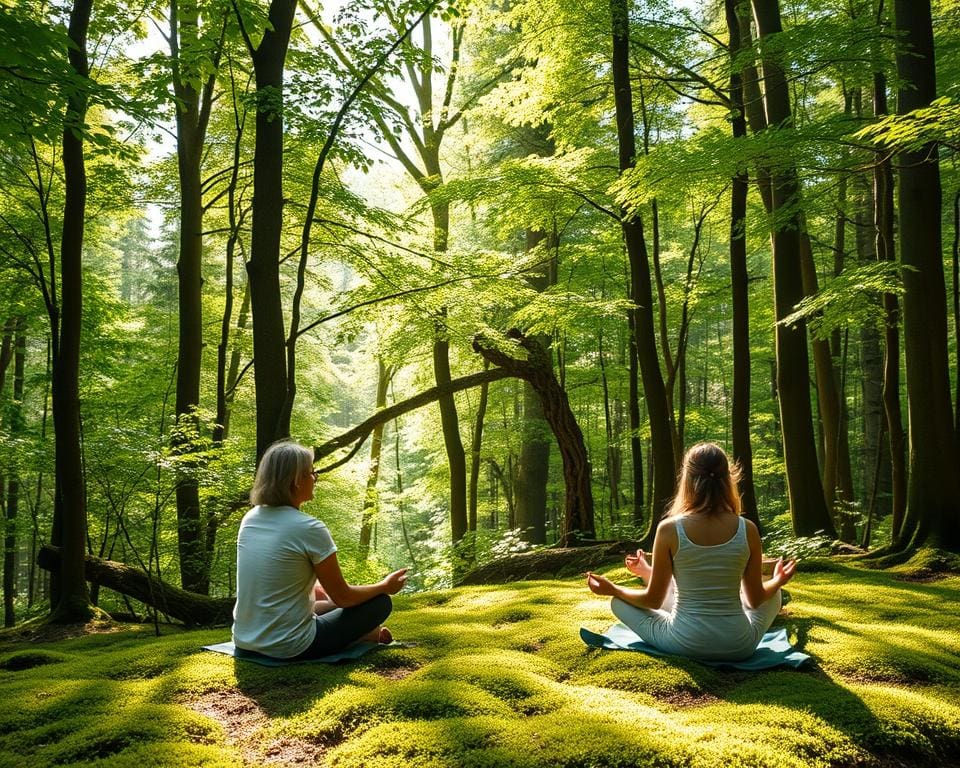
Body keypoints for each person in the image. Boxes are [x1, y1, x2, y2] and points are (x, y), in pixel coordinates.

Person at [586, 442, 796, 662]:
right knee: (774, 594)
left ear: (686, 479)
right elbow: (755, 600)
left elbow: (653, 600)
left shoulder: (668, 529)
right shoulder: (748, 529)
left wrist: (613, 589)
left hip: (683, 642)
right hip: (739, 645)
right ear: (728, 480)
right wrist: (779, 580)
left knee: (618, 602)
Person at [232, 440, 408, 660]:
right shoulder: (309, 528)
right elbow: (343, 597)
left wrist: (328, 597)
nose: (315, 478)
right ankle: (365, 635)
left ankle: (364, 634)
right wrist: (384, 586)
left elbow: (283, 576)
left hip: (244, 641)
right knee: (379, 603)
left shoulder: (251, 518)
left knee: (325, 602)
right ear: (296, 481)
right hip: (289, 646)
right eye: (311, 472)